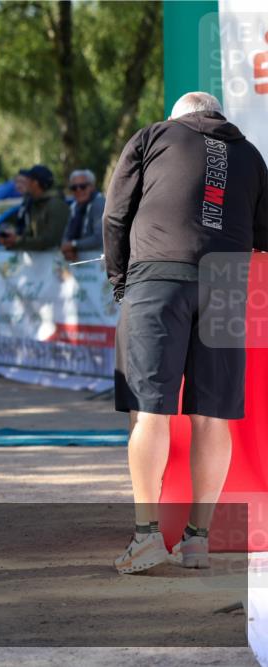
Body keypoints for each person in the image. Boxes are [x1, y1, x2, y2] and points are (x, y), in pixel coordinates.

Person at [105, 91, 268, 574]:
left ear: (179, 118)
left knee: (150, 410)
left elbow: (116, 214)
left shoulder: (153, 136)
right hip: (224, 281)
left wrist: (119, 279)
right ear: (214, 116)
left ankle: (146, 538)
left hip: (158, 277)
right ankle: (197, 541)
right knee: (211, 416)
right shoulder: (251, 154)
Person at [0, 165, 68, 250]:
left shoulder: (56, 204)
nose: (25, 183)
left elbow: (50, 240)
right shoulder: (34, 203)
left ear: (35, 183)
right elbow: (30, 233)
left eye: (28, 180)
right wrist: (12, 240)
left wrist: (18, 240)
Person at [61, 169, 105, 261]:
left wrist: (73, 245)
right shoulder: (74, 206)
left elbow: (99, 239)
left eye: (83, 186)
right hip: (80, 265)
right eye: (74, 187)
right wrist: (68, 249)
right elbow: (66, 236)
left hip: (99, 265)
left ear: (92, 187)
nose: (78, 190)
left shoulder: (99, 203)